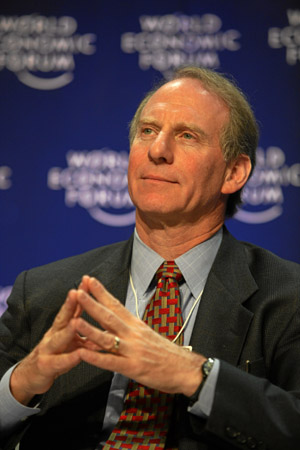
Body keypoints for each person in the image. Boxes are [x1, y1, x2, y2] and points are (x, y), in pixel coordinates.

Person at [1, 66, 300, 450]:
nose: (157, 150)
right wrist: (23, 382)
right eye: (147, 131)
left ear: (234, 172)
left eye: (187, 136)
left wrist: (199, 376)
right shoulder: (44, 292)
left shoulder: (288, 298)